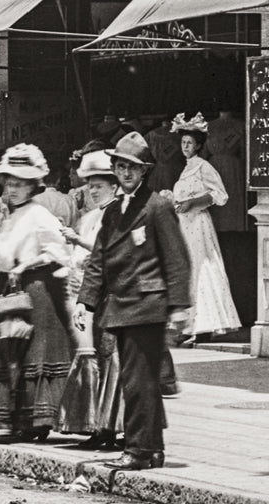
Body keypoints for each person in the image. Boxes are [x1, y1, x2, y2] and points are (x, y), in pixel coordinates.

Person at [78, 131, 191, 470]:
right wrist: (86, 302)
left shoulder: (157, 206)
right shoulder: (113, 212)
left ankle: (139, 450)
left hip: (146, 304)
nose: (126, 173)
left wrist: (180, 305)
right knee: (137, 381)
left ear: (144, 171)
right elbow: (98, 258)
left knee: (139, 381)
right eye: (120, 167)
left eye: (133, 168)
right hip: (120, 305)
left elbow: (176, 257)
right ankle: (150, 449)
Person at [0, 144, 73, 442]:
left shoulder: (39, 215)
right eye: (11, 183)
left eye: (21, 184)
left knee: (37, 355)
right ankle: (19, 418)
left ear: (33, 186)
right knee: (12, 352)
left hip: (42, 293)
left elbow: (60, 252)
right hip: (19, 293)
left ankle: (39, 420)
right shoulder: (13, 217)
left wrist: (28, 264)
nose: (14, 189)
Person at [58, 150, 121, 446]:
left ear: (113, 186)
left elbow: (105, 252)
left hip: (111, 295)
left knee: (110, 359)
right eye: (90, 185)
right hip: (94, 293)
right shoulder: (95, 215)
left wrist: (76, 241)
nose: (92, 191)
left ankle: (109, 427)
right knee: (96, 356)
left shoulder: (116, 213)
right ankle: (99, 425)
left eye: (98, 185)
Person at [169, 113, 241, 346]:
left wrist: (196, 202)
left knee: (201, 269)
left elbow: (220, 195)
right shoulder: (186, 168)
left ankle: (202, 327)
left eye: (190, 143)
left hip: (198, 224)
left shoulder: (203, 166)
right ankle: (190, 325)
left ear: (199, 145)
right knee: (188, 269)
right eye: (183, 143)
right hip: (184, 224)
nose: (185, 147)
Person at [145, 115, 186, 193]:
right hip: (177, 170)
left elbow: (144, 154)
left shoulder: (150, 135)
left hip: (159, 170)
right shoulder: (180, 134)